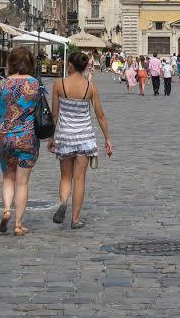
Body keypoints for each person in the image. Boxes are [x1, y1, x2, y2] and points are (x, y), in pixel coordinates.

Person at [49, 51, 112, 229]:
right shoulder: (90, 87)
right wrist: (107, 139)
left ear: (70, 65)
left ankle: (63, 203)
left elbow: (55, 114)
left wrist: (51, 137)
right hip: (85, 137)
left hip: (65, 137)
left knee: (65, 177)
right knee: (80, 179)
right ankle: (75, 219)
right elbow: (100, 115)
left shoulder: (59, 84)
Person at [0, 47, 41, 236]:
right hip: (27, 137)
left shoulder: (2, 85)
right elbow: (42, 112)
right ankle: (18, 225)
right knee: (22, 183)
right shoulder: (35, 84)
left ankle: (7, 209)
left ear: (11, 63)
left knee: (8, 176)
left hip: (6, 138)